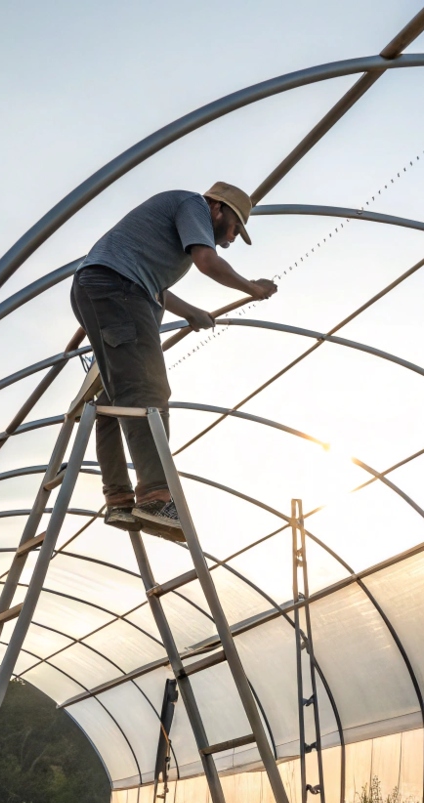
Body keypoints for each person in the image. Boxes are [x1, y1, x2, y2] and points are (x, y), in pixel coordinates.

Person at [70, 182, 277, 541]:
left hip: (104, 288)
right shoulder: (191, 204)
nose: (229, 239)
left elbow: (154, 287)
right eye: (233, 227)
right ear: (216, 208)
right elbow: (208, 262)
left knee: (112, 400)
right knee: (147, 390)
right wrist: (252, 288)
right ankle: (154, 495)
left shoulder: (157, 234)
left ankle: (118, 498)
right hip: (117, 291)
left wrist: (193, 313)